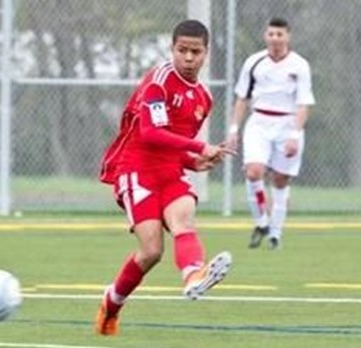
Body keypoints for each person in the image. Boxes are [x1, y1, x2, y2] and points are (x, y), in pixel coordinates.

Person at [96, 19, 235, 336]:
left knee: (184, 218)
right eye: (182, 50)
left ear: (206, 53)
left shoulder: (203, 98)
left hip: (169, 172)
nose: (188, 58)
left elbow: (173, 144)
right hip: (135, 169)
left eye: (195, 52)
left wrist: (192, 161)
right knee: (151, 251)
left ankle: (193, 276)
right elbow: (150, 133)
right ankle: (111, 303)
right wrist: (200, 147)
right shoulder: (158, 82)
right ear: (172, 49)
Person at [227, 17, 315, 250]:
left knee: (280, 179)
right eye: (271, 34)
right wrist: (234, 129)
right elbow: (242, 98)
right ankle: (261, 222)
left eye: (280, 34)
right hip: (259, 123)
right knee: (254, 171)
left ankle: (275, 233)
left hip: (287, 125)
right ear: (266, 36)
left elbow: (304, 103)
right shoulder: (254, 62)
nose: (275, 39)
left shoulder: (299, 65)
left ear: (288, 37)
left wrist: (295, 135)